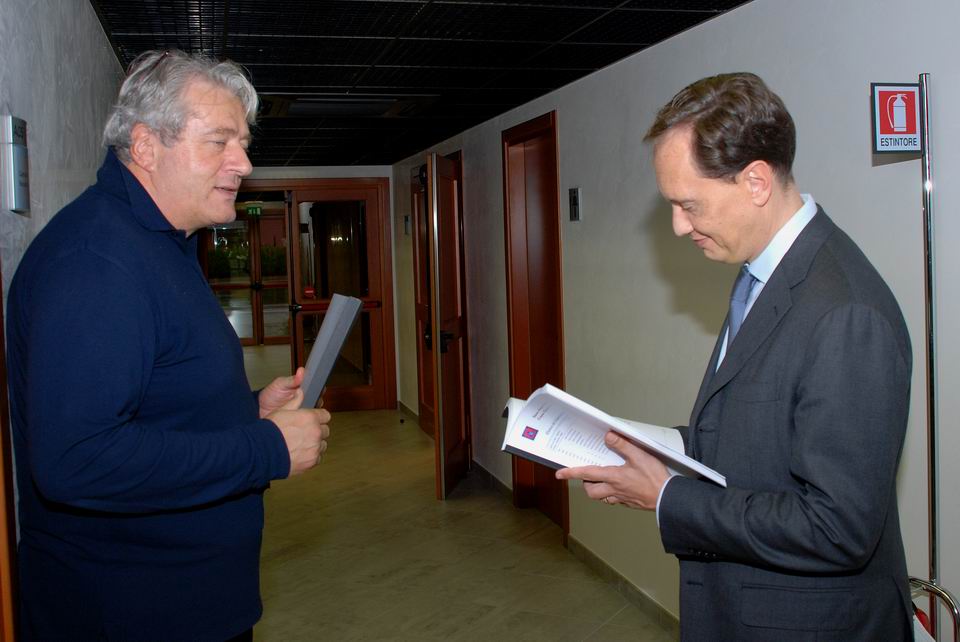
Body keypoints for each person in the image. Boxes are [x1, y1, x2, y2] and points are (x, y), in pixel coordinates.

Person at [558, 73, 913, 640]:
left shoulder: (846, 312)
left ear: (755, 182)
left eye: (689, 205)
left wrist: (667, 496)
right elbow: (759, 438)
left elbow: (838, 528)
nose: (679, 226)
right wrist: (649, 445)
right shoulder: (763, 275)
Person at [6, 50, 331, 641]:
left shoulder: (160, 243)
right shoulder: (96, 262)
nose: (244, 162)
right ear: (146, 146)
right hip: (127, 614)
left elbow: (154, 402)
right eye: (220, 142)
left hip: (184, 602)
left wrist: (247, 411)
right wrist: (264, 448)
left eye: (243, 143)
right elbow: (77, 460)